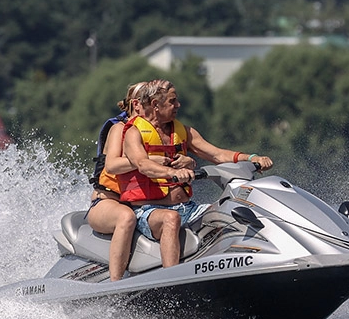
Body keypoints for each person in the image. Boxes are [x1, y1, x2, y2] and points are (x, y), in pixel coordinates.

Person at [119, 79, 273, 267]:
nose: (178, 105)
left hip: (188, 208)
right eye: (172, 101)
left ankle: (245, 263)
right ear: (155, 105)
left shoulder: (184, 131)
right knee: (171, 218)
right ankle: (171, 278)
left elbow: (217, 154)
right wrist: (173, 172)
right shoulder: (134, 133)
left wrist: (251, 158)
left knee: (226, 212)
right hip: (147, 211)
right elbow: (143, 165)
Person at [86, 82, 147, 281]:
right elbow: (112, 166)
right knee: (126, 217)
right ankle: (116, 284)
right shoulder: (120, 129)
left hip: (142, 204)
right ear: (137, 104)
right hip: (107, 202)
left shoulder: (157, 132)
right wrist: (148, 161)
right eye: (153, 102)